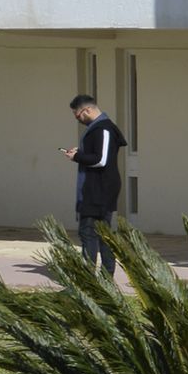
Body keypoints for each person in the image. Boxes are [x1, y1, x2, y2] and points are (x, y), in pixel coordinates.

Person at [61, 94, 127, 265]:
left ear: (87, 110)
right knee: (96, 233)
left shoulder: (103, 128)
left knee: (92, 232)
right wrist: (79, 154)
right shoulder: (96, 128)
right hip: (95, 188)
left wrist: (77, 156)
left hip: (100, 189)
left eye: (77, 116)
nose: (78, 119)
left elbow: (101, 159)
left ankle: (95, 279)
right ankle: (100, 279)